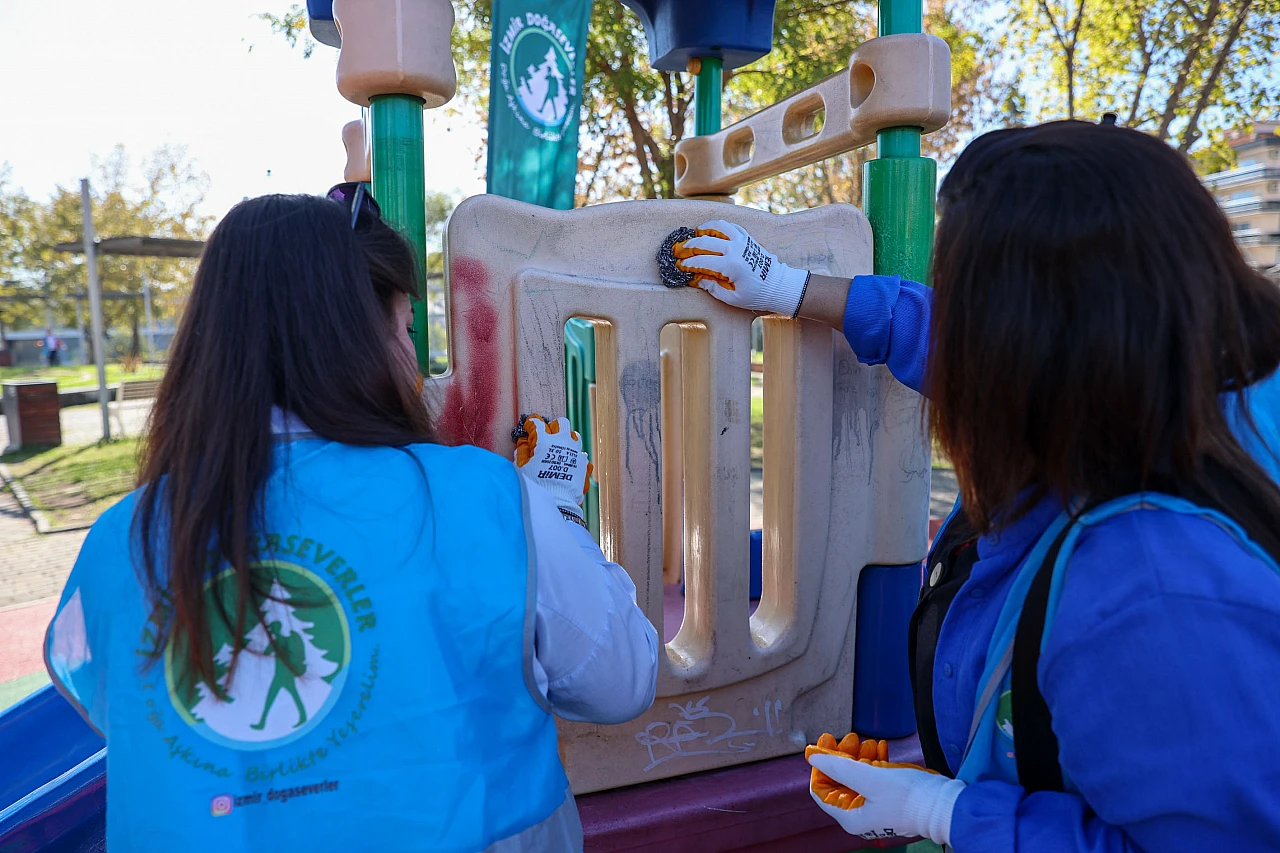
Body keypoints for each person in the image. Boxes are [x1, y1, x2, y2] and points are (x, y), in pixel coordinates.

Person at [675, 121, 1280, 851]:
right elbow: (945, 335)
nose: (956, 342)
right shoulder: (1133, 384)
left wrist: (953, 814)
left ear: (1025, 338)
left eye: (968, 301)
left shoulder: (1151, 590)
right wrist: (798, 288)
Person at [44, 189, 659, 852]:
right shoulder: (479, 497)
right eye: (404, 329)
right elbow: (621, 678)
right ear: (358, 337)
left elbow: (106, 701)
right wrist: (555, 514)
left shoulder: (121, 538)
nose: (413, 358)